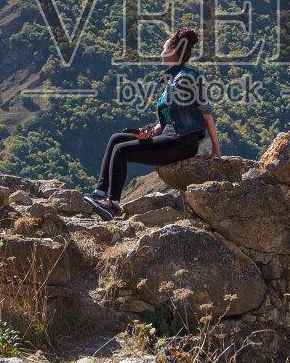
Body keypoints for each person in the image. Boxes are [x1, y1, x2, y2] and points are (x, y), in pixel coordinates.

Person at [85, 27, 220, 219]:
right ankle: (99, 194)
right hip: (169, 137)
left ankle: (112, 204)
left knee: (122, 151)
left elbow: (205, 111)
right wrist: (147, 133)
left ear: (172, 50)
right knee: (116, 139)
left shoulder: (188, 77)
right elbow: (167, 120)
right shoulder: (171, 79)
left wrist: (215, 147)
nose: (161, 52)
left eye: (164, 48)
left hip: (181, 142)